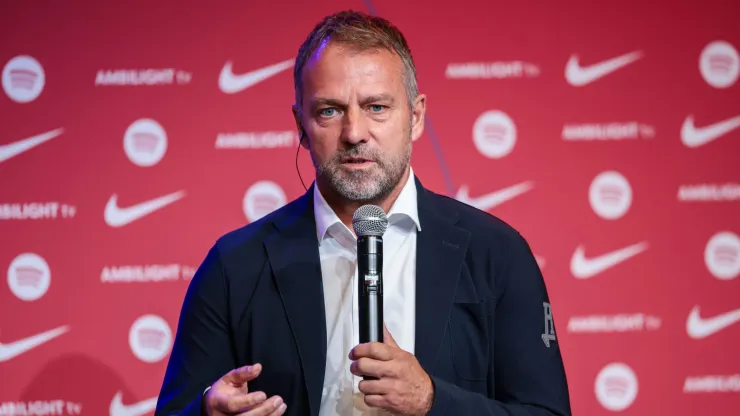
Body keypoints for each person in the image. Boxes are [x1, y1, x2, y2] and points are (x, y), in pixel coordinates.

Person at [154, 10, 571, 416]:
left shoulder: (496, 253)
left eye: (376, 107)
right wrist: (207, 412)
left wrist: (432, 401)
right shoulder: (236, 264)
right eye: (329, 111)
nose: (354, 133)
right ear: (301, 124)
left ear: (416, 116)